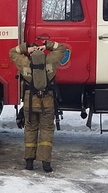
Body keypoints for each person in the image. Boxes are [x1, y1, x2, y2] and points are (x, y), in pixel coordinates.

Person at [9, 40, 67, 172]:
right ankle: (46, 163)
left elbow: (12, 52)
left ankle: (29, 162)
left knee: (30, 129)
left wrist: (26, 49)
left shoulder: (24, 62)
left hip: (30, 102)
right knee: (46, 130)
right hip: (47, 101)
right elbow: (62, 48)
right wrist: (46, 46)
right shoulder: (51, 60)